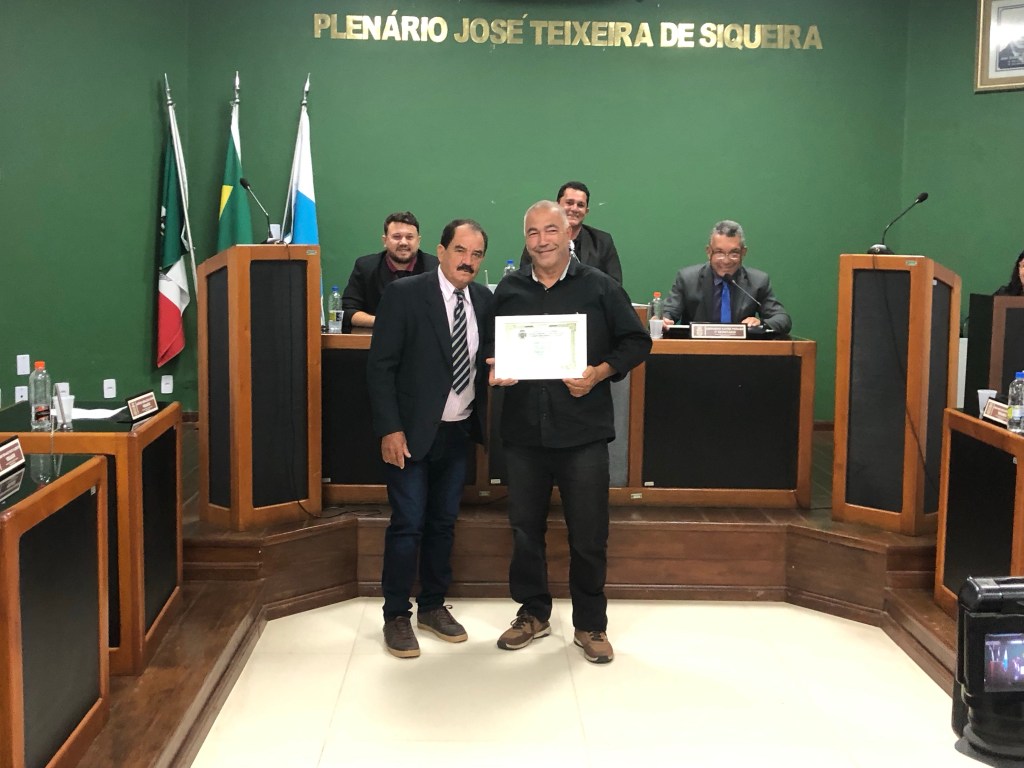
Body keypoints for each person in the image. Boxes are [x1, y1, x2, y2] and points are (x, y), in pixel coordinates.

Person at [491, 200, 651, 664]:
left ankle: (591, 623)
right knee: (525, 530)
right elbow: (489, 345)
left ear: (568, 235)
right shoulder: (509, 289)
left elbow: (637, 341)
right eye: (532, 232)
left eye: (550, 230)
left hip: (582, 432)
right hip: (523, 432)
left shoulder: (599, 286)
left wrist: (600, 372)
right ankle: (532, 613)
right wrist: (494, 367)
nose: (542, 241)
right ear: (525, 240)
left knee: (588, 533)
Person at [366, 219, 494, 659]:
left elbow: (486, 359)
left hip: (458, 432)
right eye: (460, 250)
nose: (468, 261)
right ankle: (396, 615)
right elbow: (380, 367)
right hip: (409, 434)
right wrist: (389, 428)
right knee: (408, 524)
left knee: (443, 523)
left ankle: (433, 606)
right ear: (440, 251)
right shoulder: (404, 294)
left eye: (476, 254)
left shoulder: (483, 299)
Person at [662, 220, 792, 335]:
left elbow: (782, 319)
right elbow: (668, 312)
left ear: (743, 252)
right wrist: (664, 319)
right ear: (708, 252)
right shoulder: (687, 279)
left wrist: (761, 323)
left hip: (742, 351)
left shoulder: (758, 281)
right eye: (719, 252)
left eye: (734, 253)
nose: (726, 260)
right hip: (696, 350)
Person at [342, 211, 439, 330]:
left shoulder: (435, 268)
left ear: (418, 241)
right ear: (385, 240)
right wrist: (383, 321)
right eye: (396, 237)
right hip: (377, 338)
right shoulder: (366, 267)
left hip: (423, 338)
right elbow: (347, 311)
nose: (403, 242)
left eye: (409, 237)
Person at [519, 181, 623, 283]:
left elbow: (615, 286)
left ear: (586, 211)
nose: (574, 209)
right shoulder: (539, 242)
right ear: (557, 206)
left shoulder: (602, 241)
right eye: (569, 203)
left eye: (580, 205)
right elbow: (525, 283)